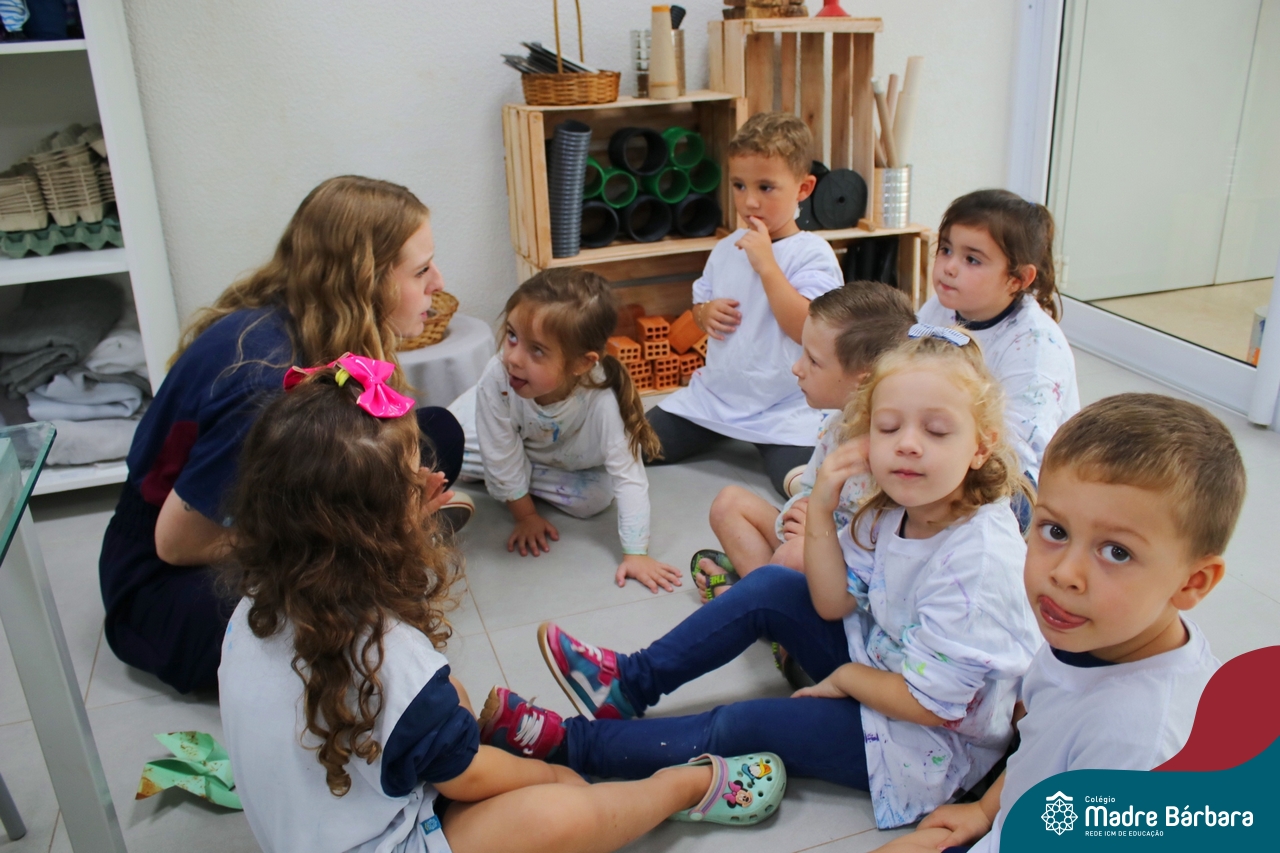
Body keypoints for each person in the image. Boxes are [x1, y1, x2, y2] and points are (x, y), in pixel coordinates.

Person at [478, 327, 1043, 830]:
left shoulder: (978, 562)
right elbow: (831, 603)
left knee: (744, 724)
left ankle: (570, 745)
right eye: (889, 427)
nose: (908, 444)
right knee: (771, 588)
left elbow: (931, 705)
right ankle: (626, 683)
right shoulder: (898, 509)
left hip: (928, 745)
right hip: (885, 668)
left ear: (981, 446)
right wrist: (822, 506)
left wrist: (845, 678)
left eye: (937, 431)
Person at [218, 357, 789, 853]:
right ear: (375, 532)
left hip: (324, 819)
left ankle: (502, 741)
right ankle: (683, 787)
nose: (433, 478)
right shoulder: (389, 656)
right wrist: (550, 779)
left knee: (453, 698)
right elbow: (464, 778)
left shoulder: (253, 610)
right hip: (384, 839)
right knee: (562, 810)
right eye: (415, 477)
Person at [98, 176, 466, 694]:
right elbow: (176, 544)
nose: (438, 283)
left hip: (250, 514)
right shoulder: (265, 382)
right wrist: (370, 528)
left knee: (437, 433)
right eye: (421, 270)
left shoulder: (308, 320)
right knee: (337, 609)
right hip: (163, 587)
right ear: (366, 281)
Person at [871, 394, 1244, 853]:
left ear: (1192, 582)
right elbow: (1040, 741)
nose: (1065, 573)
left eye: (1117, 552)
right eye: (1056, 531)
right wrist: (986, 812)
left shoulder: (1137, 748)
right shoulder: (1089, 634)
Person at [646, 112, 844, 496]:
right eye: (739, 185)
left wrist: (767, 265)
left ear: (803, 188)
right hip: (714, 400)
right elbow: (700, 305)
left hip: (786, 410)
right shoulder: (726, 248)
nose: (749, 201)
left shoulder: (812, 253)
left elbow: (809, 329)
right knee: (637, 444)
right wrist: (704, 313)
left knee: (800, 485)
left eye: (766, 187)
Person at [448, 268, 681, 592]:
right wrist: (525, 515)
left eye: (536, 350)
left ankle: (512, 477)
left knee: (595, 499)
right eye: (512, 335)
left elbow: (629, 477)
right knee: (452, 457)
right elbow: (499, 452)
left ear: (581, 364)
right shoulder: (499, 375)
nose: (513, 358)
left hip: (555, 455)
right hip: (488, 428)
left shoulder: (604, 399)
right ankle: (507, 475)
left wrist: (636, 553)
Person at [692, 281, 917, 602]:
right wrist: (794, 515)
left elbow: (885, 548)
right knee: (729, 503)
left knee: (792, 557)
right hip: (814, 542)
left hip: (857, 575)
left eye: (813, 361)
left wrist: (819, 535)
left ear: (863, 381)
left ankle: (750, 600)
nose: (797, 368)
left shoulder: (898, 452)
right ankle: (759, 598)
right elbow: (809, 490)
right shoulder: (835, 426)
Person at [918, 189, 1079, 524]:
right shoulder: (940, 309)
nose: (949, 267)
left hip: (1015, 481)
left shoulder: (1036, 346)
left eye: (972, 260)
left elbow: (1018, 455)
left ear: (1017, 279)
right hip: (953, 447)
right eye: (945, 249)